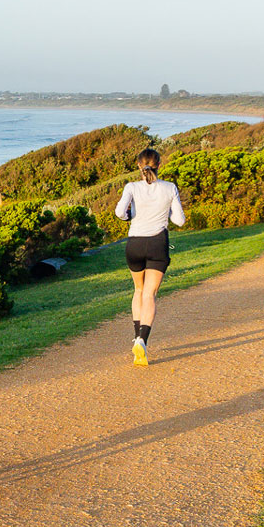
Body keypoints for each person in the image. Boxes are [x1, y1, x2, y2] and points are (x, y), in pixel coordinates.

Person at [113, 148, 185, 366]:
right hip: (157, 243)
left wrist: (131, 215)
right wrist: (165, 211)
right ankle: (142, 340)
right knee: (150, 294)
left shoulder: (132, 187)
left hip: (135, 243)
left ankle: (136, 337)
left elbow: (119, 213)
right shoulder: (169, 187)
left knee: (138, 290)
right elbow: (180, 221)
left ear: (138, 166)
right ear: (159, 165)